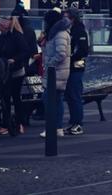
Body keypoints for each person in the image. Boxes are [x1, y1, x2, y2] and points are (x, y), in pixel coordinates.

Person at [39, 9, 71, 139]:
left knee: (49, 100)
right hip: (58, 72)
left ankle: (52, 128)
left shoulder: (59, 34)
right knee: (57, 100)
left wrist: (49, 64)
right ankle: (57, 128)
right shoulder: (58, 32)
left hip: (56, 73)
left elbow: (61, 53)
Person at [0, 17, 29, 136]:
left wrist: (14, 59)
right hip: (6, 70)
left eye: (1, 26)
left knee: (13, 97)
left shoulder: (16, 36)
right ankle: (8, 123)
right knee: (7, 97)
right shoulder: (4, 36)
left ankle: (16, 122)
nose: (0, 28)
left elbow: (25, 51)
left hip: (15, 71)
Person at [64, 8, 89, 136]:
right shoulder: (71, 29)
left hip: (75, 66)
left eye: (67, 16)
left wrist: (70, 57)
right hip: (71, 65)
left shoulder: (79, 30)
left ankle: (77, 123)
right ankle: (74, 122)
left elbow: (83, 49)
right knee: (71, 95)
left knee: (74, 95)